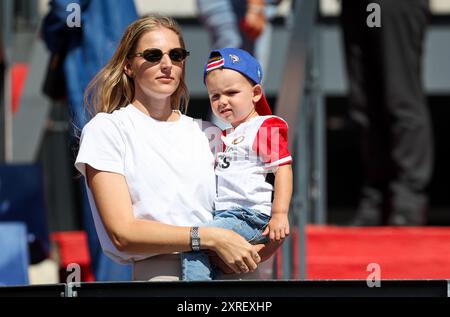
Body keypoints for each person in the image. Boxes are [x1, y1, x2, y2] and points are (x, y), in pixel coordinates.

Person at [75, 15, 280, 281]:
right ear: (128, 66)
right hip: (163, 277)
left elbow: (256, 208)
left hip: (233, 276)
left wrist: (260, 248)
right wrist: (207, 238)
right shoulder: (108, 129)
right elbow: (122, 233)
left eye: (176, 55)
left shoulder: (211, 134)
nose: (166, 64)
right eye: (152, 55)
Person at [181, 48, 293, 280]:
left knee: (195, 240)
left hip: (248, 216)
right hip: (227, 215)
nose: (222, 101)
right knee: (209, 254)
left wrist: (280, 214)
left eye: (231, 92)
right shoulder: (224, 135)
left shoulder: (264, 125)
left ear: (255, 93)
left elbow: (282, 167)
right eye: (215, 96)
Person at [341, 0, 433, 226]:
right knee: (363, 105)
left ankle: (407, 200)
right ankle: (377, 198)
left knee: (400, 98)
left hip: (393, 4)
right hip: (357, 6)